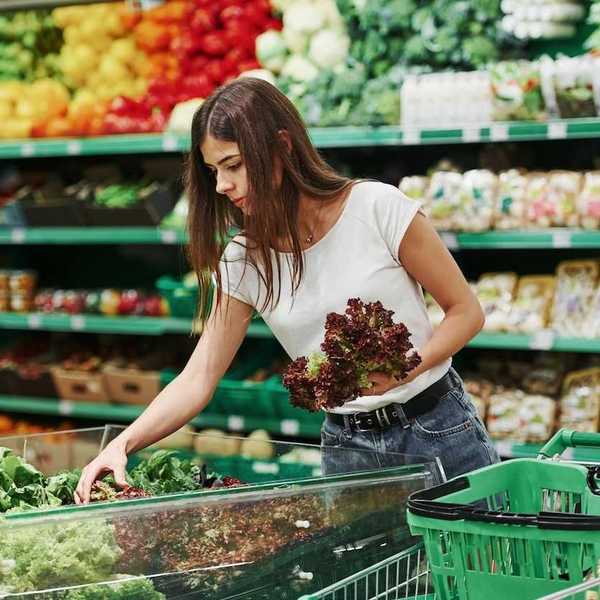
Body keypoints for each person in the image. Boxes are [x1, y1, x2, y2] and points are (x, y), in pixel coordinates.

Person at [74, 77, 498, 503]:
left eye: (234, 165)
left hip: (437, 428)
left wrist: (403, 369)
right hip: (346, 449)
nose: (221, 185)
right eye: (213, 171)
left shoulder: (377, 208)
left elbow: (466, 311)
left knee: (479, 564)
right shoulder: (245, 259)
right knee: (384, 571)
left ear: (282, 147)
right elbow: (199, 376)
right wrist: (122, 444)